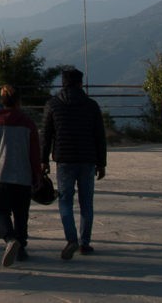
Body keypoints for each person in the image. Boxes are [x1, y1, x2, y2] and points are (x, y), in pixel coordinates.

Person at [41, 68, 106, 260]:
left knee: (65, 200)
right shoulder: (91, 105)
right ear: (80, 83)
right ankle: (84, 243)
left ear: (63, 83)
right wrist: (101, 163)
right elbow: (99, 137)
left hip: (64, 159)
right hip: (87, 159)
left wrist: (43, 160)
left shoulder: (53, 104)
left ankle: (71, 239)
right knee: (86, 203)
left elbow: (45, 135)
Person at [0, 85, 42, 267]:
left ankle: (9, 238)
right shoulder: (28, 123)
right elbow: (34, 153)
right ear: (19, 102)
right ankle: (21, 247)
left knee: (1, 211)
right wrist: (37, 175)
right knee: (21, 213)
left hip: (1, 175)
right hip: (23, 176)